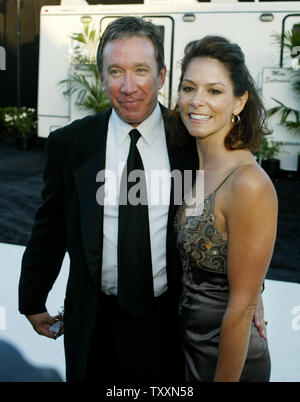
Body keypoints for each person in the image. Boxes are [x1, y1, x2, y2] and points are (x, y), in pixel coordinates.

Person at [18, 17, 266, 383]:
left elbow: (241, 217)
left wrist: (254, 290)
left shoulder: (193, 141)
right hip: (93, 319)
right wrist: (33, 297)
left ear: (162, 76)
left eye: (141, 70)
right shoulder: (70, 144)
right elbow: (50, 226)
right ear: (101, 76)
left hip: (171, 321)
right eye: (116, 71)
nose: (129, 86)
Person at [172, 36, 278, 382]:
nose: (197, 101)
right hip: (187, 348)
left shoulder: (249, 184)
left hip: (227, 362)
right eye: (189, 88)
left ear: (239, 101)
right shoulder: (194, 163)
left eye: (214, 91)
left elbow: (241, 308)